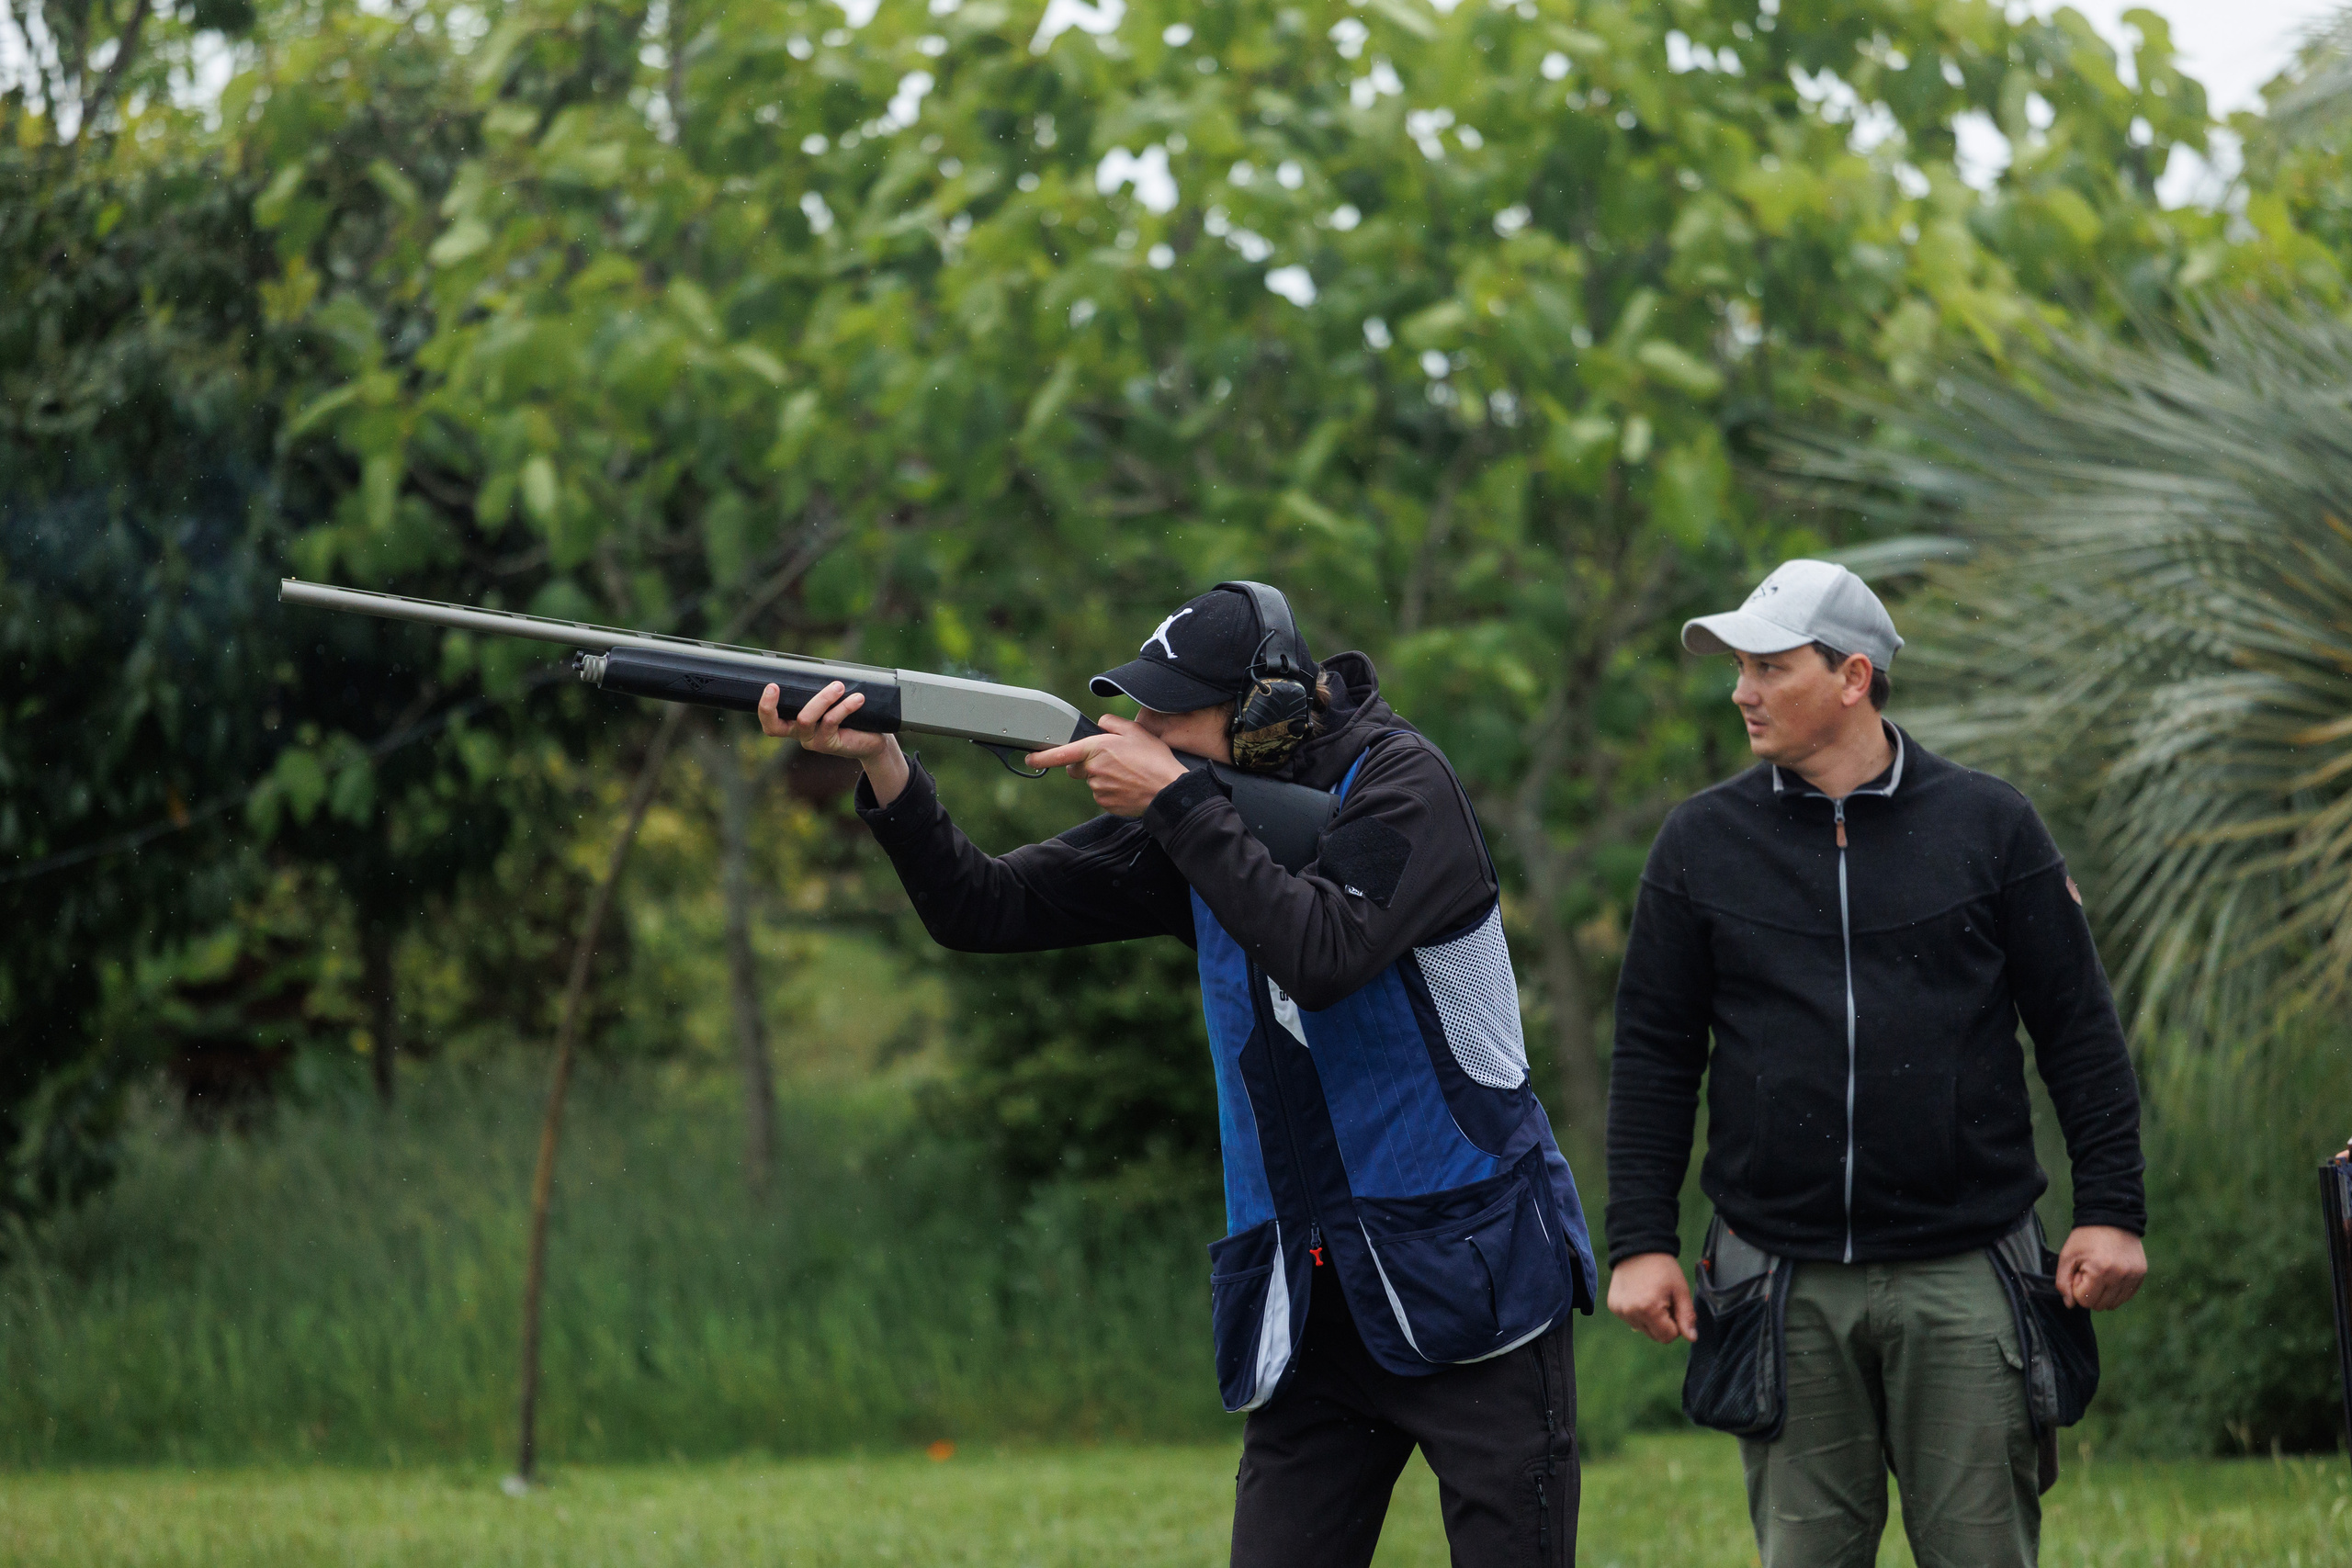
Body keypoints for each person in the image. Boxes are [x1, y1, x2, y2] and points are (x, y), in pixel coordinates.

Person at [759, 582, 1593, 1568]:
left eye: (1170, 711)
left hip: (1470, 1286)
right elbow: (981, 907)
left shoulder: (1403, 786)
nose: (1141, 730)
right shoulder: (1196, 813)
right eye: (1140, 707)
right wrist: (885, 766)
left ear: (1267, 710)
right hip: (1307, 1309)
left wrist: (1177, 802)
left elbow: (1320, 955)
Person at [1604, 558, 2148, 1568]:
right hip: (1778, 1275)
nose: (1741, 691)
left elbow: (2078, 1032)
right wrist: (1638, 1238)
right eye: (1737, 668)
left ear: (1852, 677)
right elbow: (1652, 1053)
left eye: (1769, 667)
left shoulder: (1990, 827)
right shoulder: (1699, 844)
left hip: (1969, 1268)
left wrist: (2111, 1209)